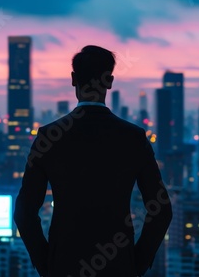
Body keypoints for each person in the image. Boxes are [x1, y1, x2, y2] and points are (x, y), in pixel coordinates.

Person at [14, 45, 172, 277]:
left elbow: (24, 213)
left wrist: (48, 265)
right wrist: (135, 265)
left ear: (73, 79)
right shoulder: (133, 137)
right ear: (109, 81)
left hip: (64, 266)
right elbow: (161, 210)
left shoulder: (49, 137)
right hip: (118, 266)